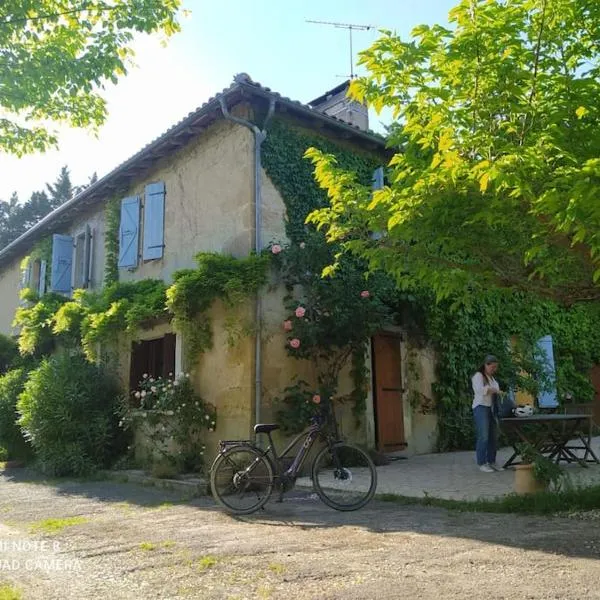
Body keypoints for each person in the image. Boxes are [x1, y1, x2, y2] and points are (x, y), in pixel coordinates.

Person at [472, 355, 503, 472]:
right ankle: (482, 462)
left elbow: (496, 391)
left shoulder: (492, 379)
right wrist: (494, 390)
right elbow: (480, 390)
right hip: (481, 407)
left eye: (496, 367)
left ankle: (491, 461)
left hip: (491, 408)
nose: (494, 370)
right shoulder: (478, 376)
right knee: (483, 436)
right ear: (486, 365)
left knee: (493, 436)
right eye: (492, 367)